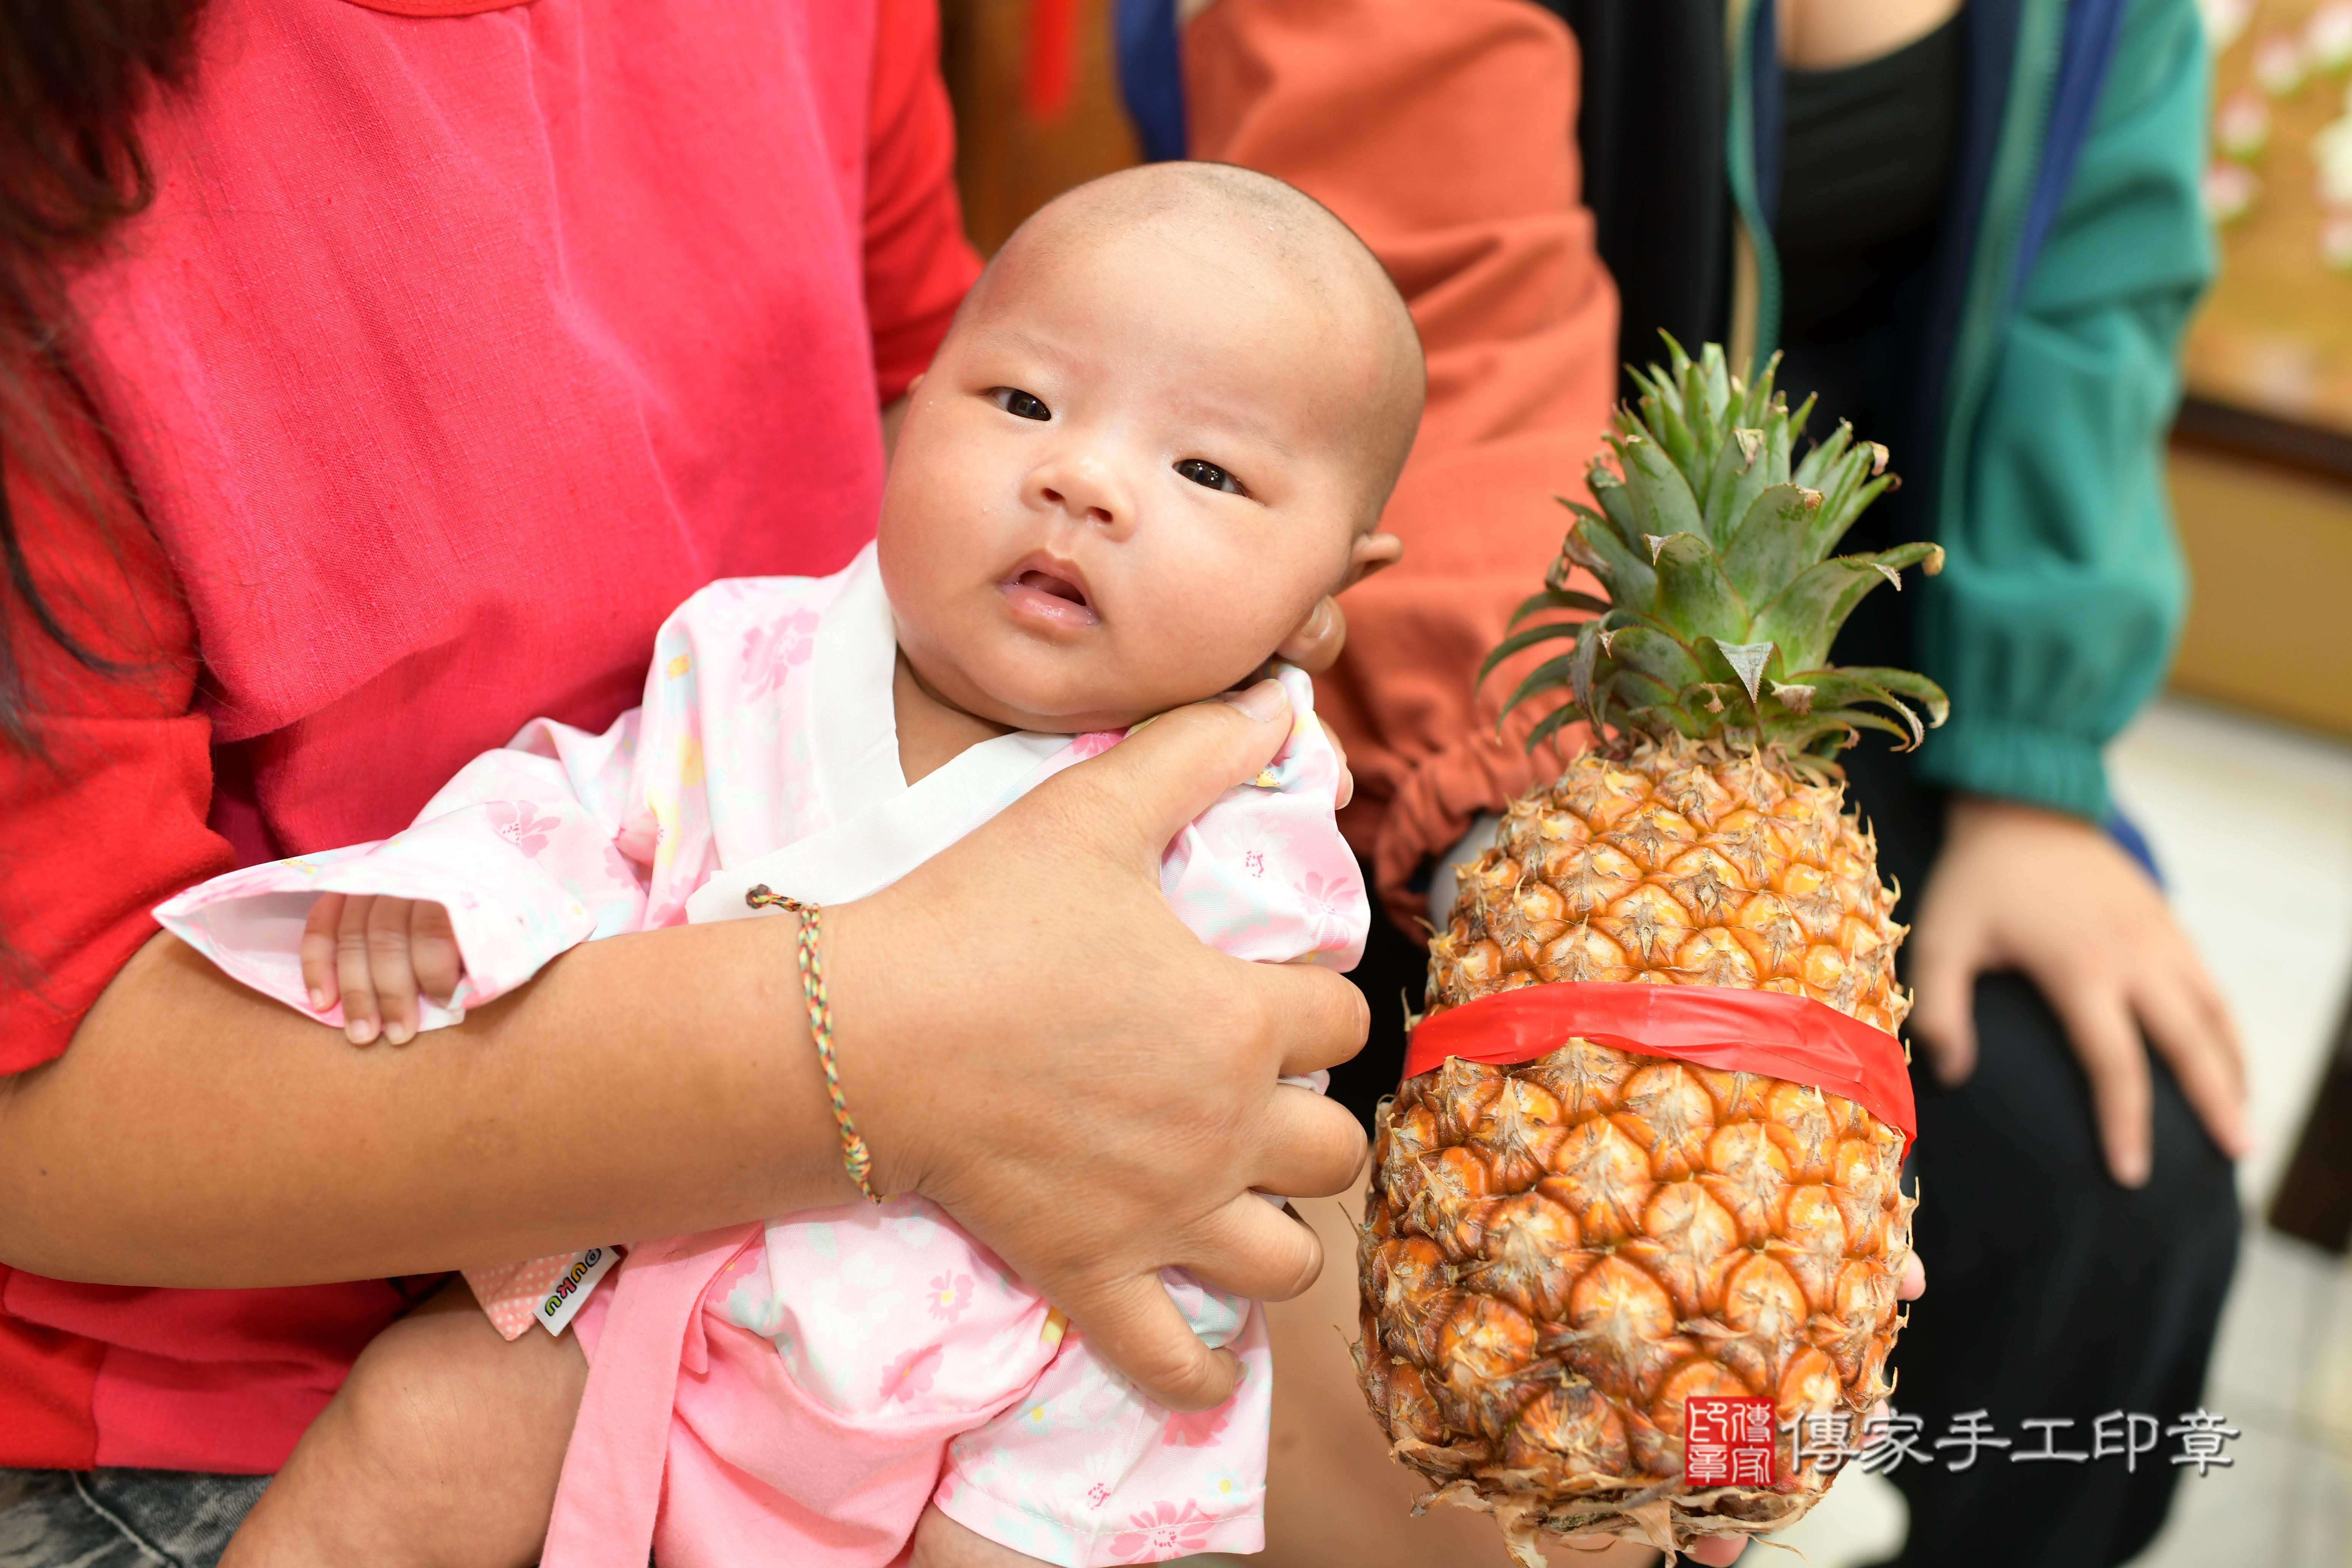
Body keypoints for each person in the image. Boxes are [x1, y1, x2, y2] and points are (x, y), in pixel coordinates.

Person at [0, 6, 1374, 1563]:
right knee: (424, 1434)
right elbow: (583, 810)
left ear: (1329, 598)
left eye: (1203, 475)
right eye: (1029, 413)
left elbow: (1221, 1134)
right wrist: (446, 897)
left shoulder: (1258, 810)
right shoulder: (750, 661)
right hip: (482, 1304)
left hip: (1009, 1367)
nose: (1081, 477)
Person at [1125, 1, 2248, 1565]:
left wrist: (2037, 783)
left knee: (2111, 1174)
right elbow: (1437, 298)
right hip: (1421, 672)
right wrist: (1565, 891)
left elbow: (2096, 317)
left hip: (1843, 726)